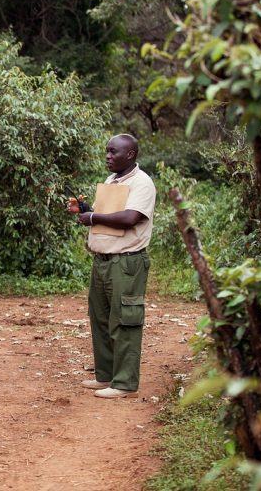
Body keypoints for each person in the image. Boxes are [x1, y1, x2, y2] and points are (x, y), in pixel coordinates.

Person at [73, 134, 156, 399]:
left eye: (113, 152)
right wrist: (86, 211)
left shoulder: (142, 183)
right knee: (100, 318)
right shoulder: (111, 181)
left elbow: (130, 217)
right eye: (107, 151)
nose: (108, 156)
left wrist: (93, 216)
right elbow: (106, 218)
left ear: (130, 155)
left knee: (125, 320)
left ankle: (124, 383)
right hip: (103, 261)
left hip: (127, 262)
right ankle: (106, 376)